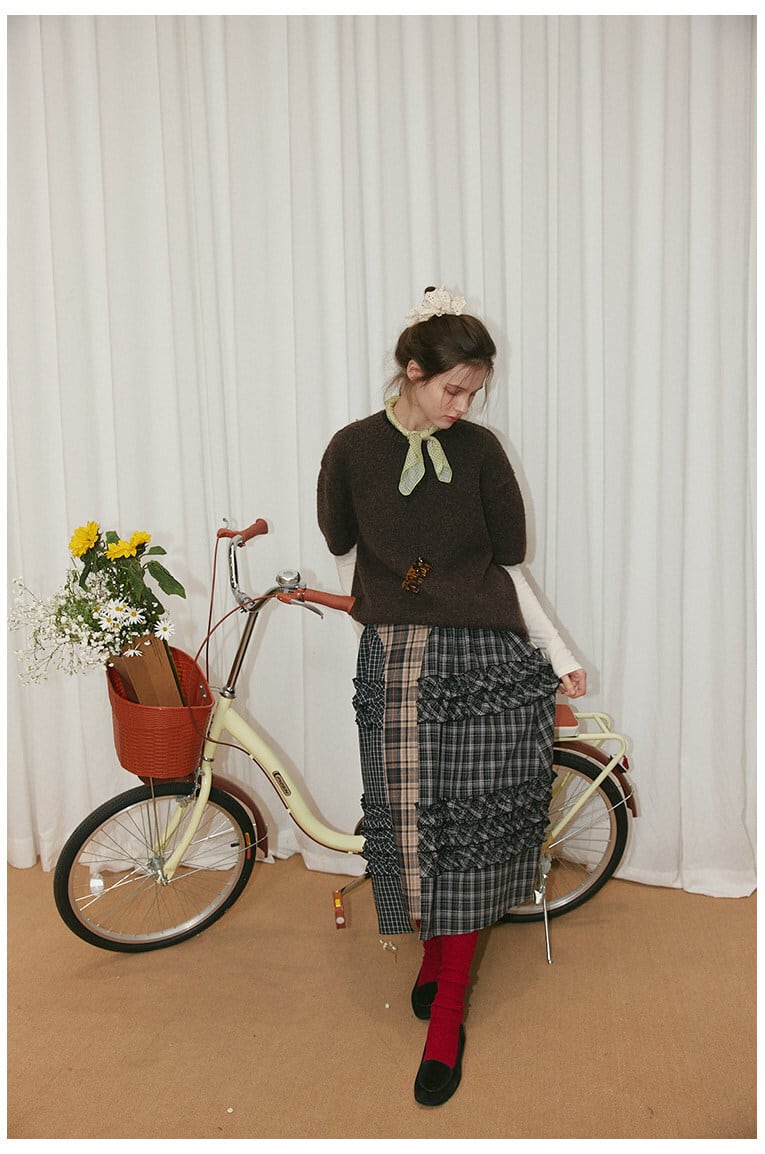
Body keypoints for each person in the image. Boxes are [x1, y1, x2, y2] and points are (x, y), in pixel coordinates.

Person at [317, 286, 586, 1108]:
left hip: (486, 660)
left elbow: (508, 555)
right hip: (397, 660)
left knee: (470, 837)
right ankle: (435, 959)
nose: (463, 407)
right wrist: (397, 590)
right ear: (411, 371)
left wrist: (557, 652)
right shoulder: (351, 448)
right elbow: (339, 541)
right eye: (452, 390)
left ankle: (447, 1010)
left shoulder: (479, 451)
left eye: (473, 393)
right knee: (410, 829)